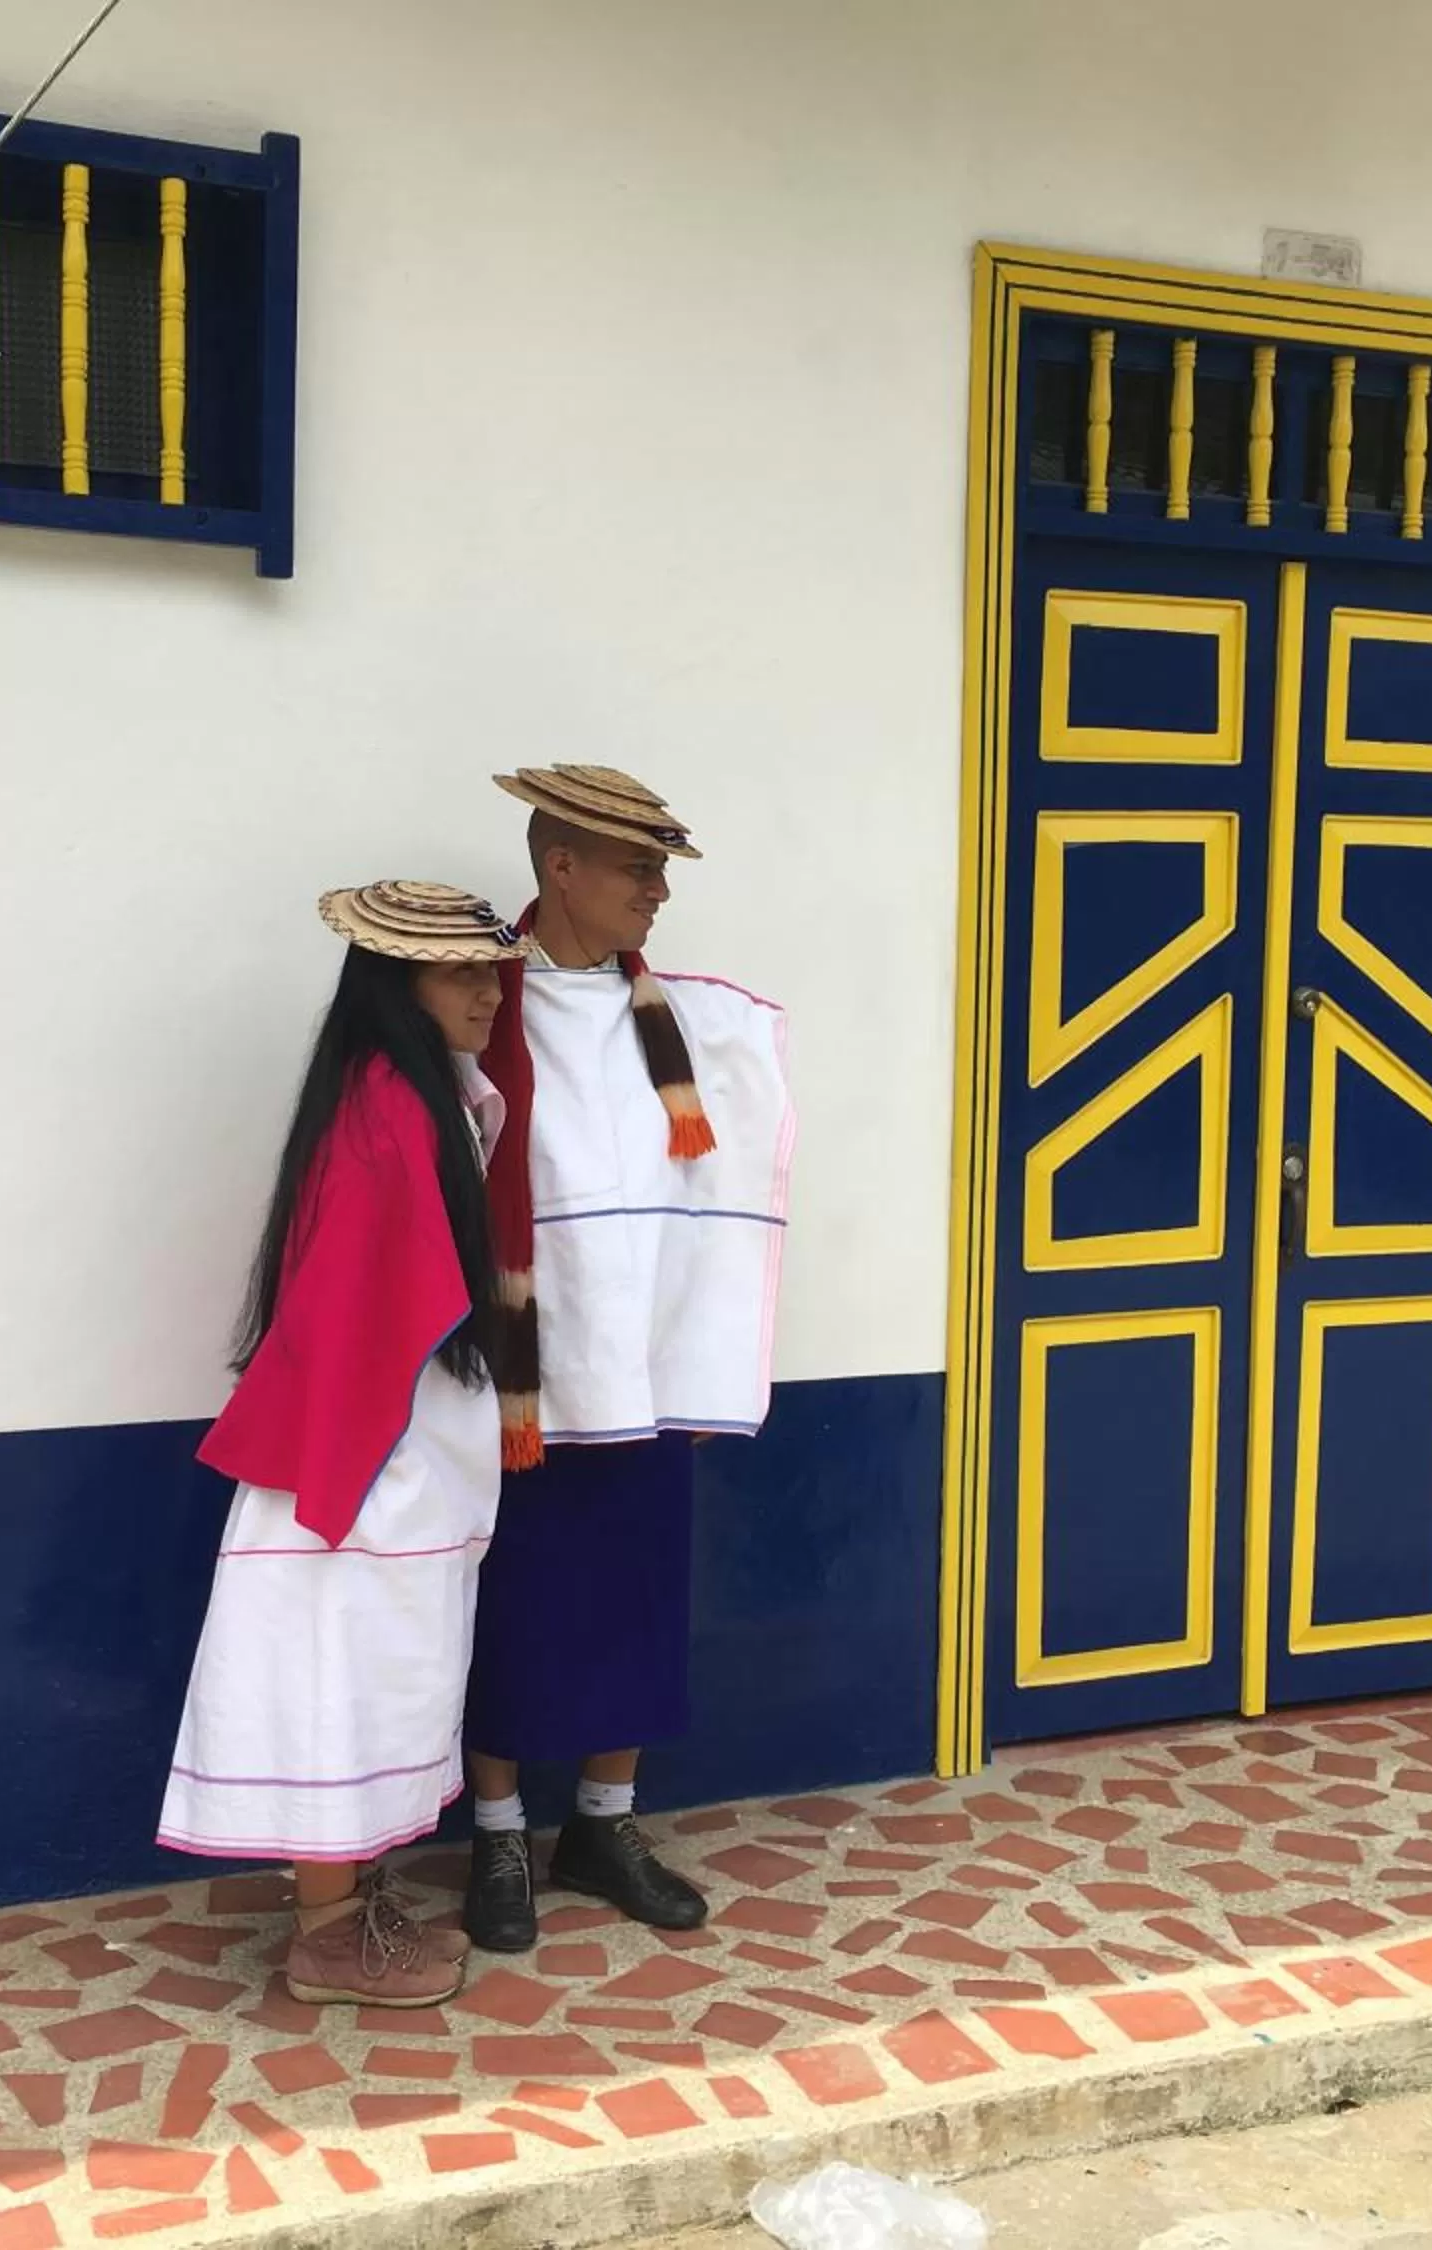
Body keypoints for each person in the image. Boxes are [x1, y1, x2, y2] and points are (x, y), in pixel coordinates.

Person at [157, 880, 526, 2009]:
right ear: (395, 985)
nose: (485, 989)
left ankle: (353, 1904)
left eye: (487, 967)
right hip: (366, 1456)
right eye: (457, 971)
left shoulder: (425, 1098)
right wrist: (368, 1470)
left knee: (379, 1676)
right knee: (340, 1676)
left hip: (393, 1448)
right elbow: (371, 1306)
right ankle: (325, 1932)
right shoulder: (388, 1108)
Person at [460, 765, 794, 1953]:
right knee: (507, 1598)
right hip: (523, 1371)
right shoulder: (476, 1003)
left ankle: (603, 1823)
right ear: (562, 866)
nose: (658, 890)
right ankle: (498, 1831)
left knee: (639, 1595)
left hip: (646, 1362)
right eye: (637, 867)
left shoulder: (688, 1020)